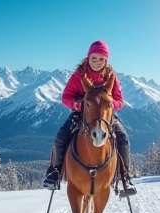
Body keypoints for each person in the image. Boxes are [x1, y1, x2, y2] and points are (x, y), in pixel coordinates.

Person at [44, 40, 136, 195]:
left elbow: (119, 100)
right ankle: (54, 173)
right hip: (82, 113)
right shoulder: (79, 75)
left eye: (101, 59)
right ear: (88, 58)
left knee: (123, 138)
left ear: (106, 60)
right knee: (61, 136)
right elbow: (66, 97)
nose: (97, 62)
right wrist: (77, 105)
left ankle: (124, 178)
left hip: (106, 116)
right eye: (94, 58)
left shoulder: (111, 77)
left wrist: (110, 103)